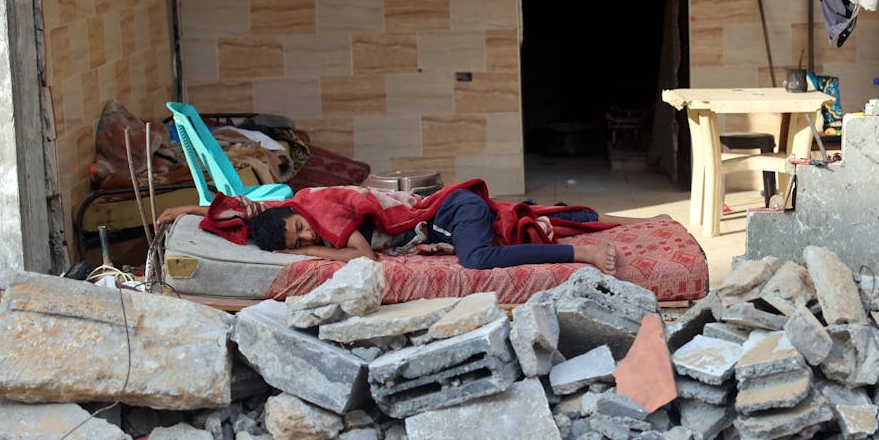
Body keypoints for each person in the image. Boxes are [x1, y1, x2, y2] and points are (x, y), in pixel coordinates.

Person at [158, 180, 644, 275]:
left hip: (453, 212)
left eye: (298, 233)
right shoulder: (293, 208)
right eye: (297, 244)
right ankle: (630, 223)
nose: (306, 239)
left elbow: (365, 259)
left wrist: (311, 255)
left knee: (479, 261)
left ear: (292, 215)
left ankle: (580, 258)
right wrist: (184, 212)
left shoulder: (320, 209)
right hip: (451, 217)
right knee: (540, 222)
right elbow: (240, 208)